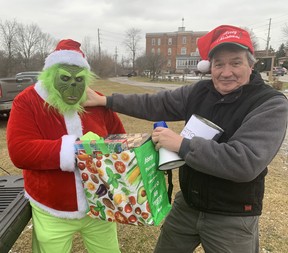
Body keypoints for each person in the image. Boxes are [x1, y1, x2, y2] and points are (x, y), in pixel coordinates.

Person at [83, 25, 288, 253]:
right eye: (219, 64)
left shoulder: (269, 104)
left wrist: (182, 145)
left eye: (236, 62)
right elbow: (155, 104)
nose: (226, 71)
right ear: (210, 67)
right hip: (188, 204)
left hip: (232, 215)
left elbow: (245, 162)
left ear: (251, 65)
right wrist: (107, 102)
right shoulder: (200, 91)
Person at [7, 39, 124, 253]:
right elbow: (20, 151)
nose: (73, 86)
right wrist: (76, 151)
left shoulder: (95, 100)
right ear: (51, 75)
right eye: (65, 78)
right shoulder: (28, 101)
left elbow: (119, 139)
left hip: (99, 203)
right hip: (52, 208)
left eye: (79, 80)